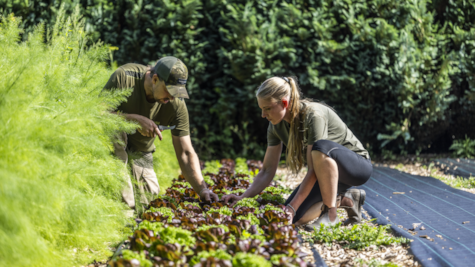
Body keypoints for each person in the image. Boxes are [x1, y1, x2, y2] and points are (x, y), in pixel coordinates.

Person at [222, 76, 372, 230]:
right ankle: (346, 199)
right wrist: (242, 197)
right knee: (295, 219)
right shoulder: (275, 127)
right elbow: (267, 170)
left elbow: (313, 168)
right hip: (327, 174)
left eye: (267, 108)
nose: (263, 115)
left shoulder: (313, 115)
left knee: (320, 147)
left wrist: (292, 207)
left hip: (356, 167)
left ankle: (330, 215)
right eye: (261, 109)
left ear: (284, 103)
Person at [102, 56, 218, 211]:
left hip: (140, 151)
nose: (171, 98)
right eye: (169, 91)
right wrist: (132, 120)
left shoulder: (176, 104)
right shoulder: (125, 77)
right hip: (110, 145)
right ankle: (123, 216)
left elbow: (185, 152)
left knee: (149, 202)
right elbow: (98, 114)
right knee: (124, 196)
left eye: (177, 93)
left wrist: (203, 189)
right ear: (155, 79)